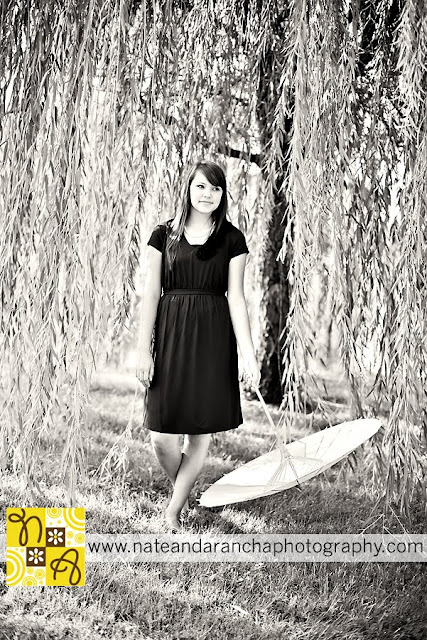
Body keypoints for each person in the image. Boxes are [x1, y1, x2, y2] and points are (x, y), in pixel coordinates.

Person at [136, 159, 261, 531]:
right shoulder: (163, 235)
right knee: (161, 436)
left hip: (212, 340)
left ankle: (173, 510)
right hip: (171, 338)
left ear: (223, 195)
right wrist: (143, 349)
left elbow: (236, 298)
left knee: (199, 431)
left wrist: (249, 355)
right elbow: (150, 296)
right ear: (188, 189)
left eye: (216, 188)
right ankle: (185, 487)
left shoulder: (232, 239)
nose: (208, 194)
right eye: (201, 186)